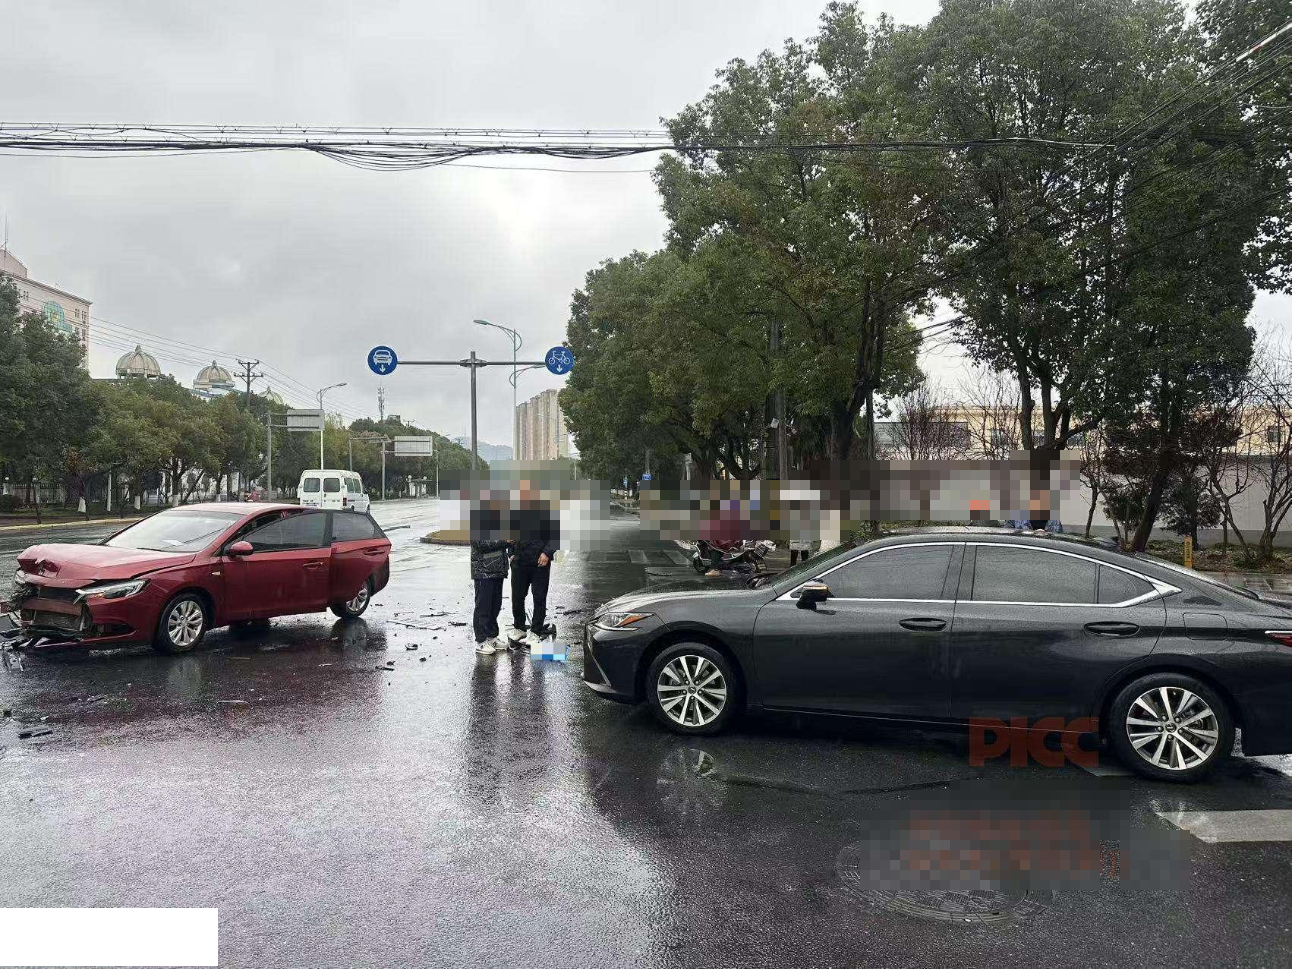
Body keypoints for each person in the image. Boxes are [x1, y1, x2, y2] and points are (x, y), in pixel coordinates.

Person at [506, 480, 559, 651]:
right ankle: (519, 628)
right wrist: (511, 553)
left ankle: (535, 631)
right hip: (519, 562)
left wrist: (547, 553)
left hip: (540, 563)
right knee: (517, 597)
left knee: (539, 598)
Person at [470, 498, 510, 655]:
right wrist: (504, 540)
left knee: (495, 606)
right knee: (483, 607)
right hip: (483, 571)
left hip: (498, 570)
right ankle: (481, 641)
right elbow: (481, 543)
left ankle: (492, 636)